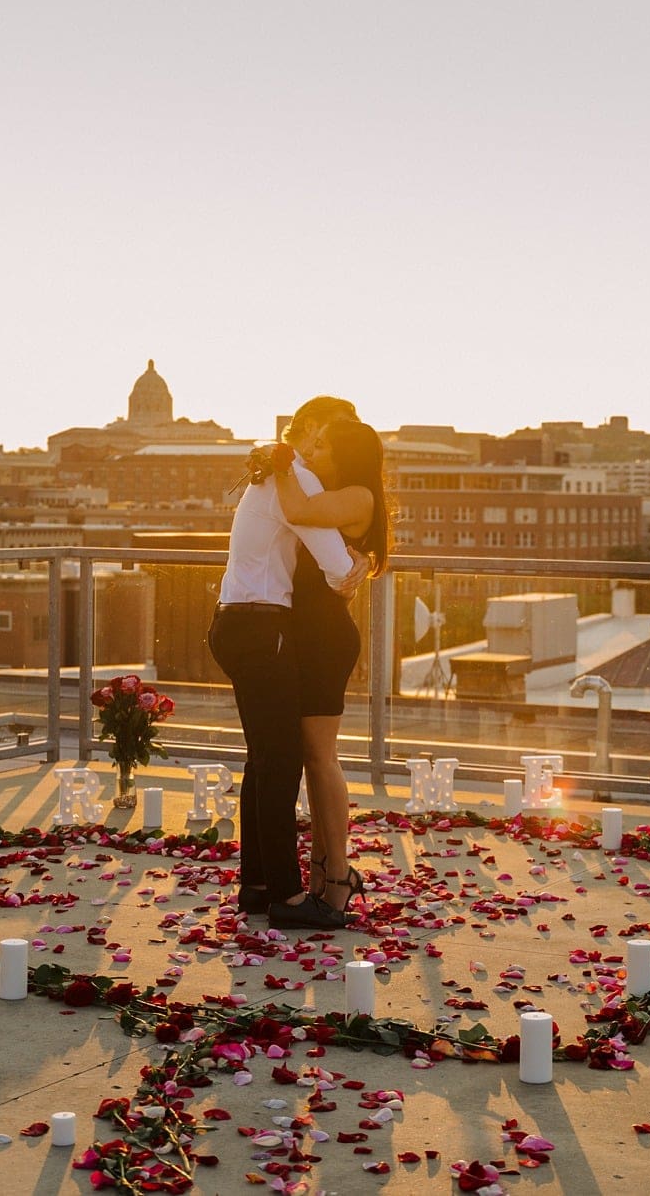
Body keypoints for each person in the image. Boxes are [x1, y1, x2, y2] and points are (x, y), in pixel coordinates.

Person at [207, 395, 364, 928]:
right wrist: (359, 563)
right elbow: (337, 568)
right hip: (262, 627)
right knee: (281, 763)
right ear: (312, 427)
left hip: (232, 620)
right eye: (332, 432)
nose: (333, 444)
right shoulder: (296, 479)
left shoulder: (268, 473)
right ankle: (287, 897)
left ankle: (255, 884)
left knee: (261, 760)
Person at [276, 417, 389, 918]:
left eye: (321, 446)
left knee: (321, 759)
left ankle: (338, 876)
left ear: (344, 455)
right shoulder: (344, 494)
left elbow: (296, 508)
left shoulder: (359, 496)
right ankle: (324, 870)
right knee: (313, 758)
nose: (311, 451)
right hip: (310, 637)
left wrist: (277, 462)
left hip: (324, 639)